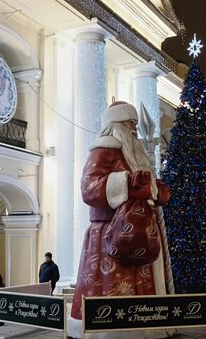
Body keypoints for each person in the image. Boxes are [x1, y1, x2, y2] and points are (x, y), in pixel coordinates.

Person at [70, 101, 172, 321]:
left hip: (142, 229)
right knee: (113, 282)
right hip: (109, 232)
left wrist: (155, 189)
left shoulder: (136, 154)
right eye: (129, 123)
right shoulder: (103, 149)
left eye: (134, 123)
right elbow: (89, 188)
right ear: (115, 124)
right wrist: (127, 183)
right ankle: (109, 323)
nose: (134, 128)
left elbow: (147, 188)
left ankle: (146, 320)